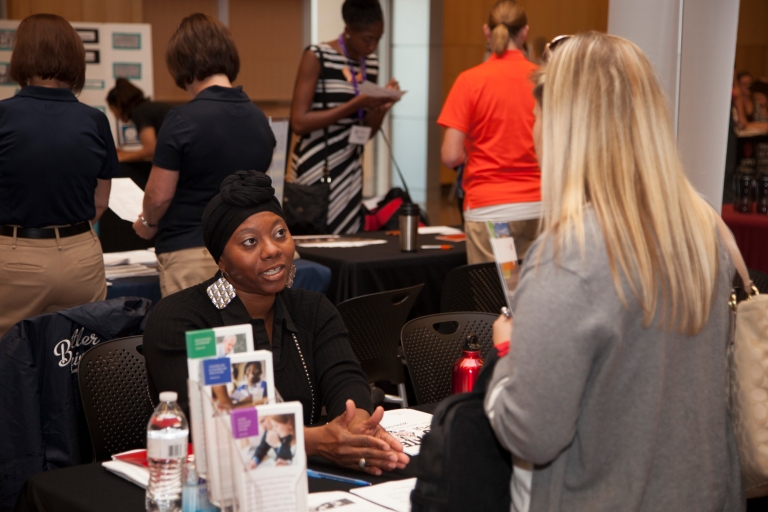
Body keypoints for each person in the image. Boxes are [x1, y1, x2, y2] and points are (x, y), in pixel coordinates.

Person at [484, 32, 743, 512]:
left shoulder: (569, 254)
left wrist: (507, 352)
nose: (533, 129)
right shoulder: (701, 228)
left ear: (565, 128)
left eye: (538, 114)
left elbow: (530, 432)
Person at [143, 170, 409, 476]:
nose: (272, 250)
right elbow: (208, 424)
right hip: (210, 483)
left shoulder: (313, 309)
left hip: (296, 476)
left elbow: (345, 380)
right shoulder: (181, 320)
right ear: (220, 260)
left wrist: (358, 429)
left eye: (280, 233)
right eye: (250, 242)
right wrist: (311, 442)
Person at [133, 13, 275, 297]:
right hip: (247, 253)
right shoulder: (259, 118)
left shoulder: (182, 120)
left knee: (196, 341)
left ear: (182, 62)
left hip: (191, 253)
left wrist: (147, 223)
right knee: (246, 339)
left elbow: (159, 196)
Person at [0, 14, 118, 336]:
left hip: (15, 256)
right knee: (80, 362)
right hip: (82, 256)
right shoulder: (95, 120)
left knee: (10, 364)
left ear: (21, 55)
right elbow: (100, 201)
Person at [438, 0, 540, 264]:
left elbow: (450, 155)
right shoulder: (544, 80)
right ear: (525, 32)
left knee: (493, 298)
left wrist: (472, 156)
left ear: (487, 31)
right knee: (533, 296)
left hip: (490, 210)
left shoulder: (470, 81)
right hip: (538, 206)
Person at [289, 0, 399, 234]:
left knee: (348, 240)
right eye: (367, 39)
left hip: (350, 167)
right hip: (318, 166)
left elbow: (366, 132)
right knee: (316, 239)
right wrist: (354, 105)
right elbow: (299, 122)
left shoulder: (370, 64)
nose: (373, 46)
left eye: (378, 38)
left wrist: (383, 107)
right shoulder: (317, 56)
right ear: (348, 30)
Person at [106, 78, 172, 163]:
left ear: (119, 106)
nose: (116, 116)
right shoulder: (146, 108)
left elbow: (150, 149)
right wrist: (127, 153)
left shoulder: (139, 112)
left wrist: (121, 158)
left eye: (113, 110)